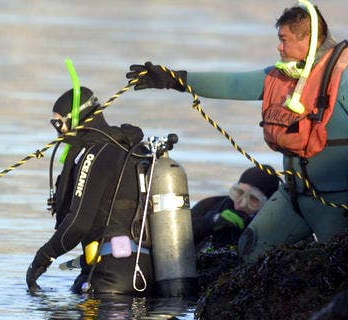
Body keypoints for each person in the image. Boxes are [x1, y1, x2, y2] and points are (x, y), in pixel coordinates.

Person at [126, 3, 348, 262]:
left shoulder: (342, 77)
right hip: (294, 197)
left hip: (334, 203)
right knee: (251, 247)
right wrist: (174, 79)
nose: (279, 47)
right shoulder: (284, 75)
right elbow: (234, 83)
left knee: (336, 264)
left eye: (284, 39)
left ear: (307, 39)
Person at [26, 86, 154, 295]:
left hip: (110, 278)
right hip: (144, 273)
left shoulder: (96, 154)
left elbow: (78, 223)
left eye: (58, 123)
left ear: (74, 119)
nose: (58, 130)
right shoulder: (132, 148)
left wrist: (42, 259)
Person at [191, 165, 281, 251]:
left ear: (267, 204)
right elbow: (179, 232)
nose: (242, 204)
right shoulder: (209, 205)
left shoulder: (273, 225)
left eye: (254, 199)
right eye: (240, 193)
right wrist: (211, 221)